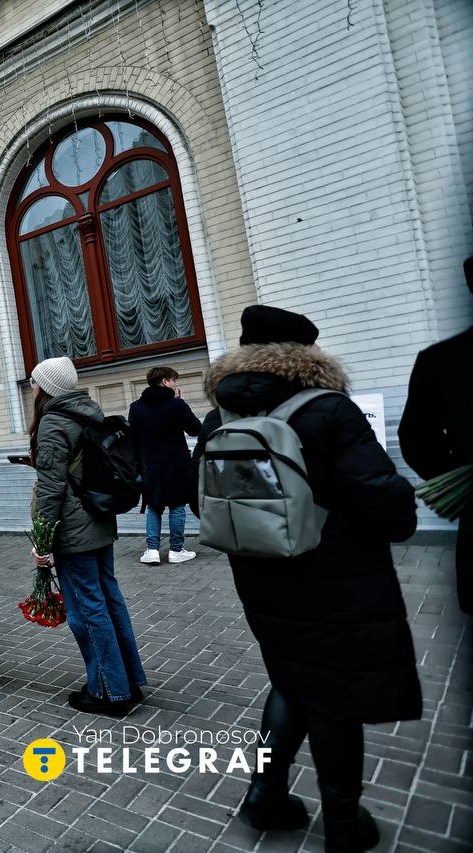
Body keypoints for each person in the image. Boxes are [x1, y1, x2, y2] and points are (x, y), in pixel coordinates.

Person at [191, 305, 421, 850]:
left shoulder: (220, 416)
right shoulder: (328, 409)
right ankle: (343, 823)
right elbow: (384, 503)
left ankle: (265, 796)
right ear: (304, 353)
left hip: (259, 577)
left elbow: (197, 498)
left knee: (293, 679)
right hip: (335, 578)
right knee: (334, 695)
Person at [30, 357, 146, 717]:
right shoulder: (88, 412)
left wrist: (43, 538)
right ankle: (128, 680)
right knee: (110, 600)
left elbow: (50, 488)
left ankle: (109, 692)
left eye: (35, 382)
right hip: (98, 519)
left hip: (73, 529)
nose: (32, 388)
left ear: (46, 387)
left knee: (86, 609)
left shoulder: (53, 421)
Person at [399, 257, 473, 614]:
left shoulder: (442, 359)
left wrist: (461, 479)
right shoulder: (441, 360)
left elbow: (416, 439)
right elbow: (416, 438)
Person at [128, 366, 202, 565]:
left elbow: (132, 439)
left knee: (154, 506)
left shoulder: (136, 407)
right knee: (177, 506)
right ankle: (176, 550)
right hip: (177, 464)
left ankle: (152, 550)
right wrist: (181, 404)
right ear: (164, 381)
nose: (175, 384)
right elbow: (196, 429)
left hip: (149, 465)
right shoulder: (176, 405)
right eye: (173, 380)